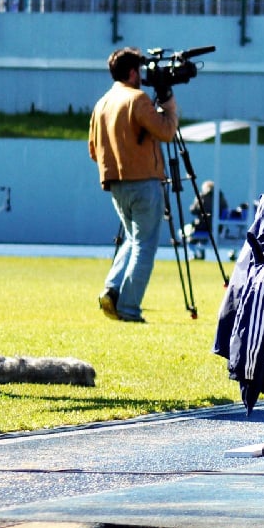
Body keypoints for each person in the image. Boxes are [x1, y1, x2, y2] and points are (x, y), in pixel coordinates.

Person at [88, 47, 181, 323]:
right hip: (144, 182)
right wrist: (169, 104)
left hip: (116, 183)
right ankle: (129, 307)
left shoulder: (102, 102)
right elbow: (166, 131)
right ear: (132, 72)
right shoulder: (137, 99)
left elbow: (93, 149)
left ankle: (112, 289)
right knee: (145, 245)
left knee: (132, 239)